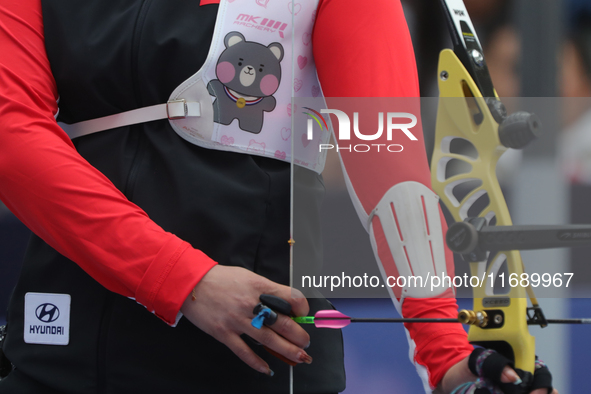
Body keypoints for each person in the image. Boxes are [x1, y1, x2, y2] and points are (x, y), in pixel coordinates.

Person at [0, 0, 554, 393]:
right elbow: (11, 132)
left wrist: (449, 357)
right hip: (62, 347)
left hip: (255, 354)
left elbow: (389, 166)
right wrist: (184, 280)